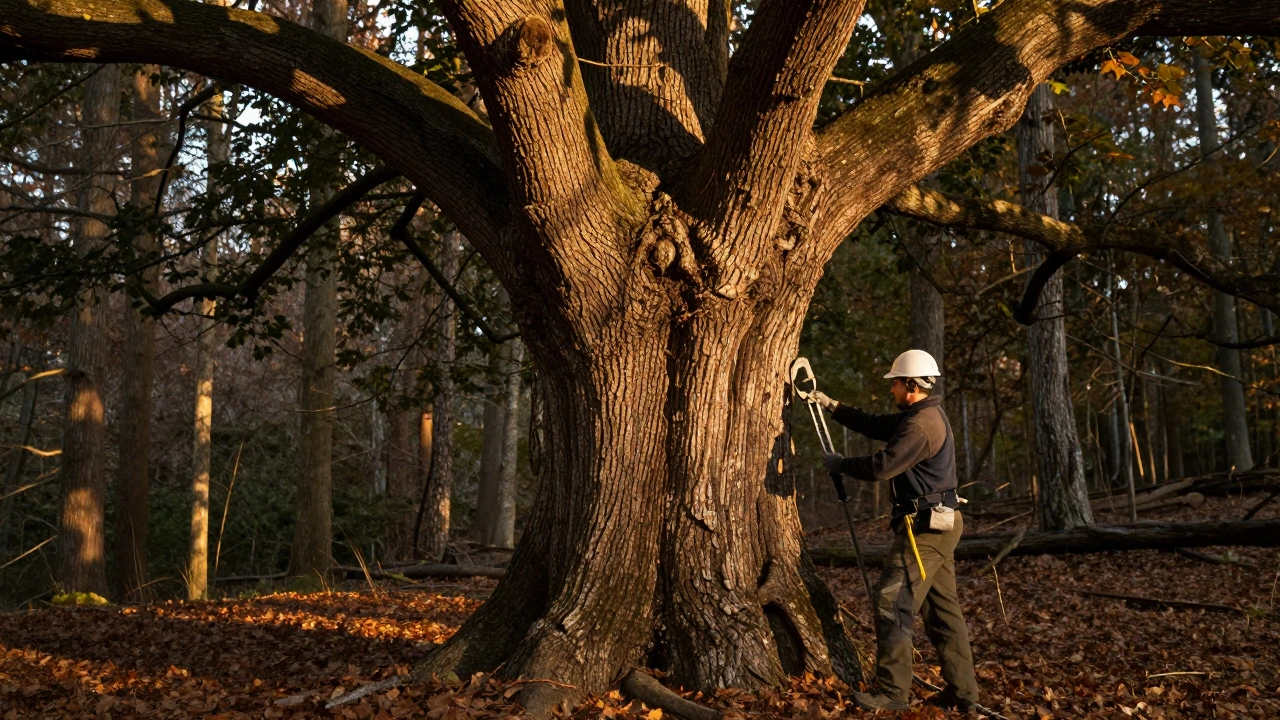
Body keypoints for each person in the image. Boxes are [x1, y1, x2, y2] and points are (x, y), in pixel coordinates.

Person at [811, 349, 979, 713]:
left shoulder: (921, 426)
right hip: (937, 524)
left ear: (911, 385)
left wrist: (841, 464)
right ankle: (963, 693)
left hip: (927, 530)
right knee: (942, 611)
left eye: (896, 383)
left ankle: (892, 693)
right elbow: (874, 425)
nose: (892, 389)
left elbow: (881, 467)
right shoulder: (918, 416)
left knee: (893, 601)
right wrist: (833, 406)